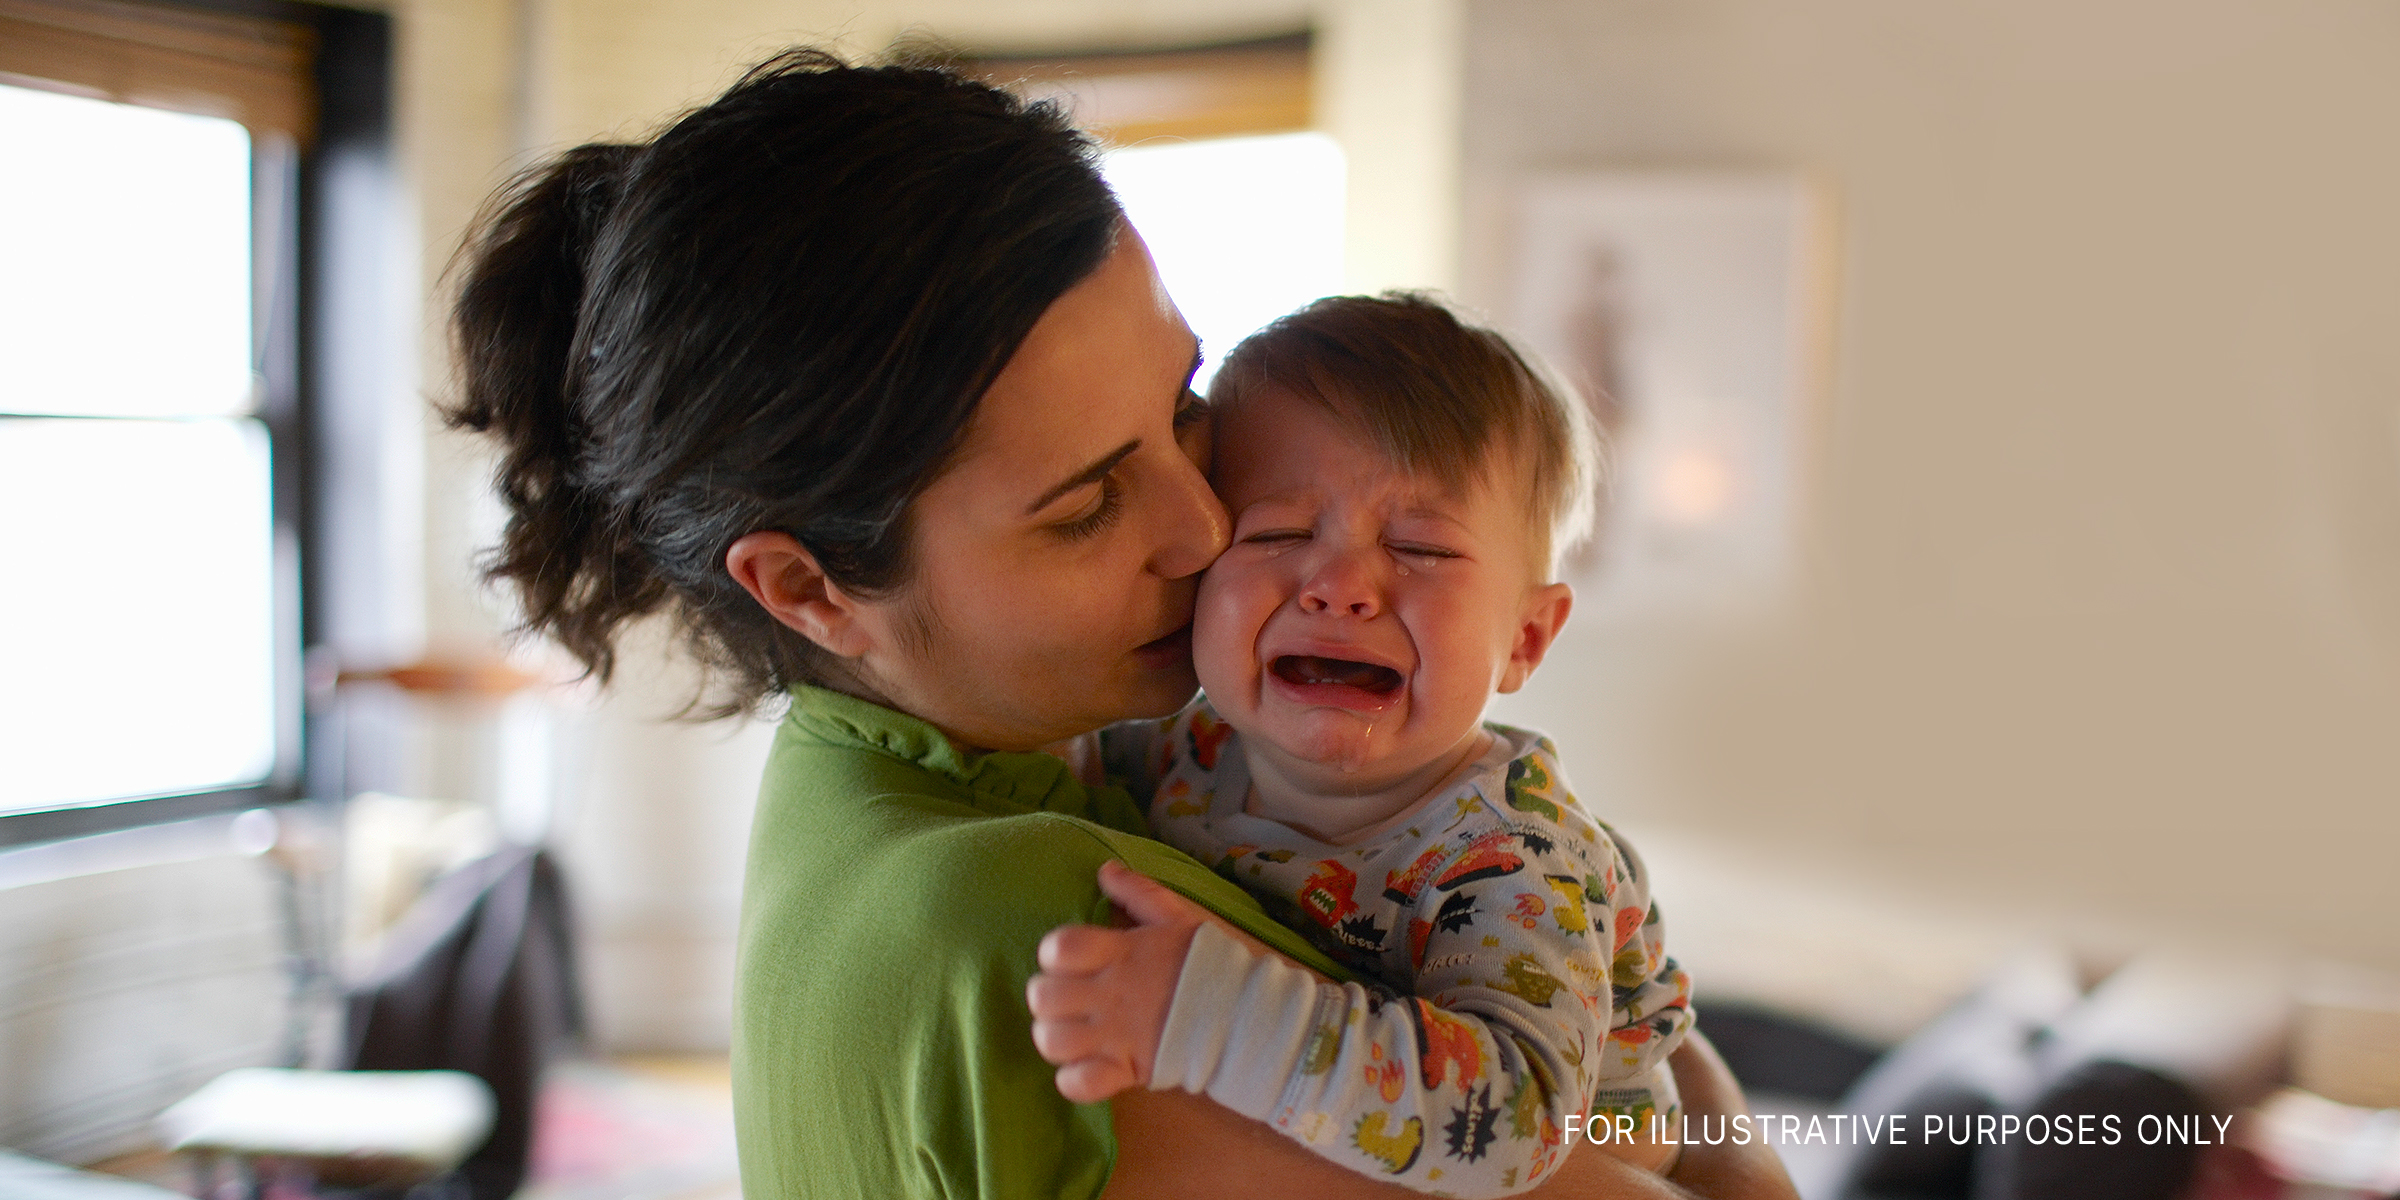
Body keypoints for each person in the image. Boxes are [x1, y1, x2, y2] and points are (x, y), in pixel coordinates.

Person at [444, 46, 1796, 1200]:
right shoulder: (1059, 920)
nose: (1206, 527)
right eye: (1089, 500)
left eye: (1181, 409)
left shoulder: (866, 783)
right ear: (809, 589)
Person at [1026, 295, 1692, 1197]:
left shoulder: (1515, 862)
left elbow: (1516, 1127)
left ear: (1527, 639)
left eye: (1421, 548)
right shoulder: (1180, 749)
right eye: (1279, 534)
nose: (1339, 586)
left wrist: (1216, 1019)